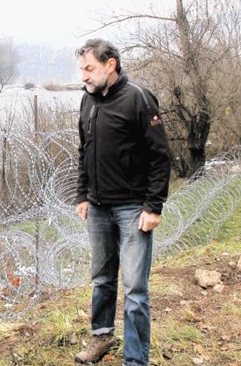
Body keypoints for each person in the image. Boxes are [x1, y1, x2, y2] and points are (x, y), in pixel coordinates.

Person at [74, 39, 171, 366]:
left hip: (132, 209)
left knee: (134, 291)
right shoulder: (87, 102)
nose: (84, 76)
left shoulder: (138, 99)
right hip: (98, 208)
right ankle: (101, 336)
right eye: (82, 69)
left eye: (90, 68)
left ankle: (135, 359)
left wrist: (153, 206)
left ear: (110, 64)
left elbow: (160, 157)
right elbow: (84, 152)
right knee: (102, 279)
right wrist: (82, 194)